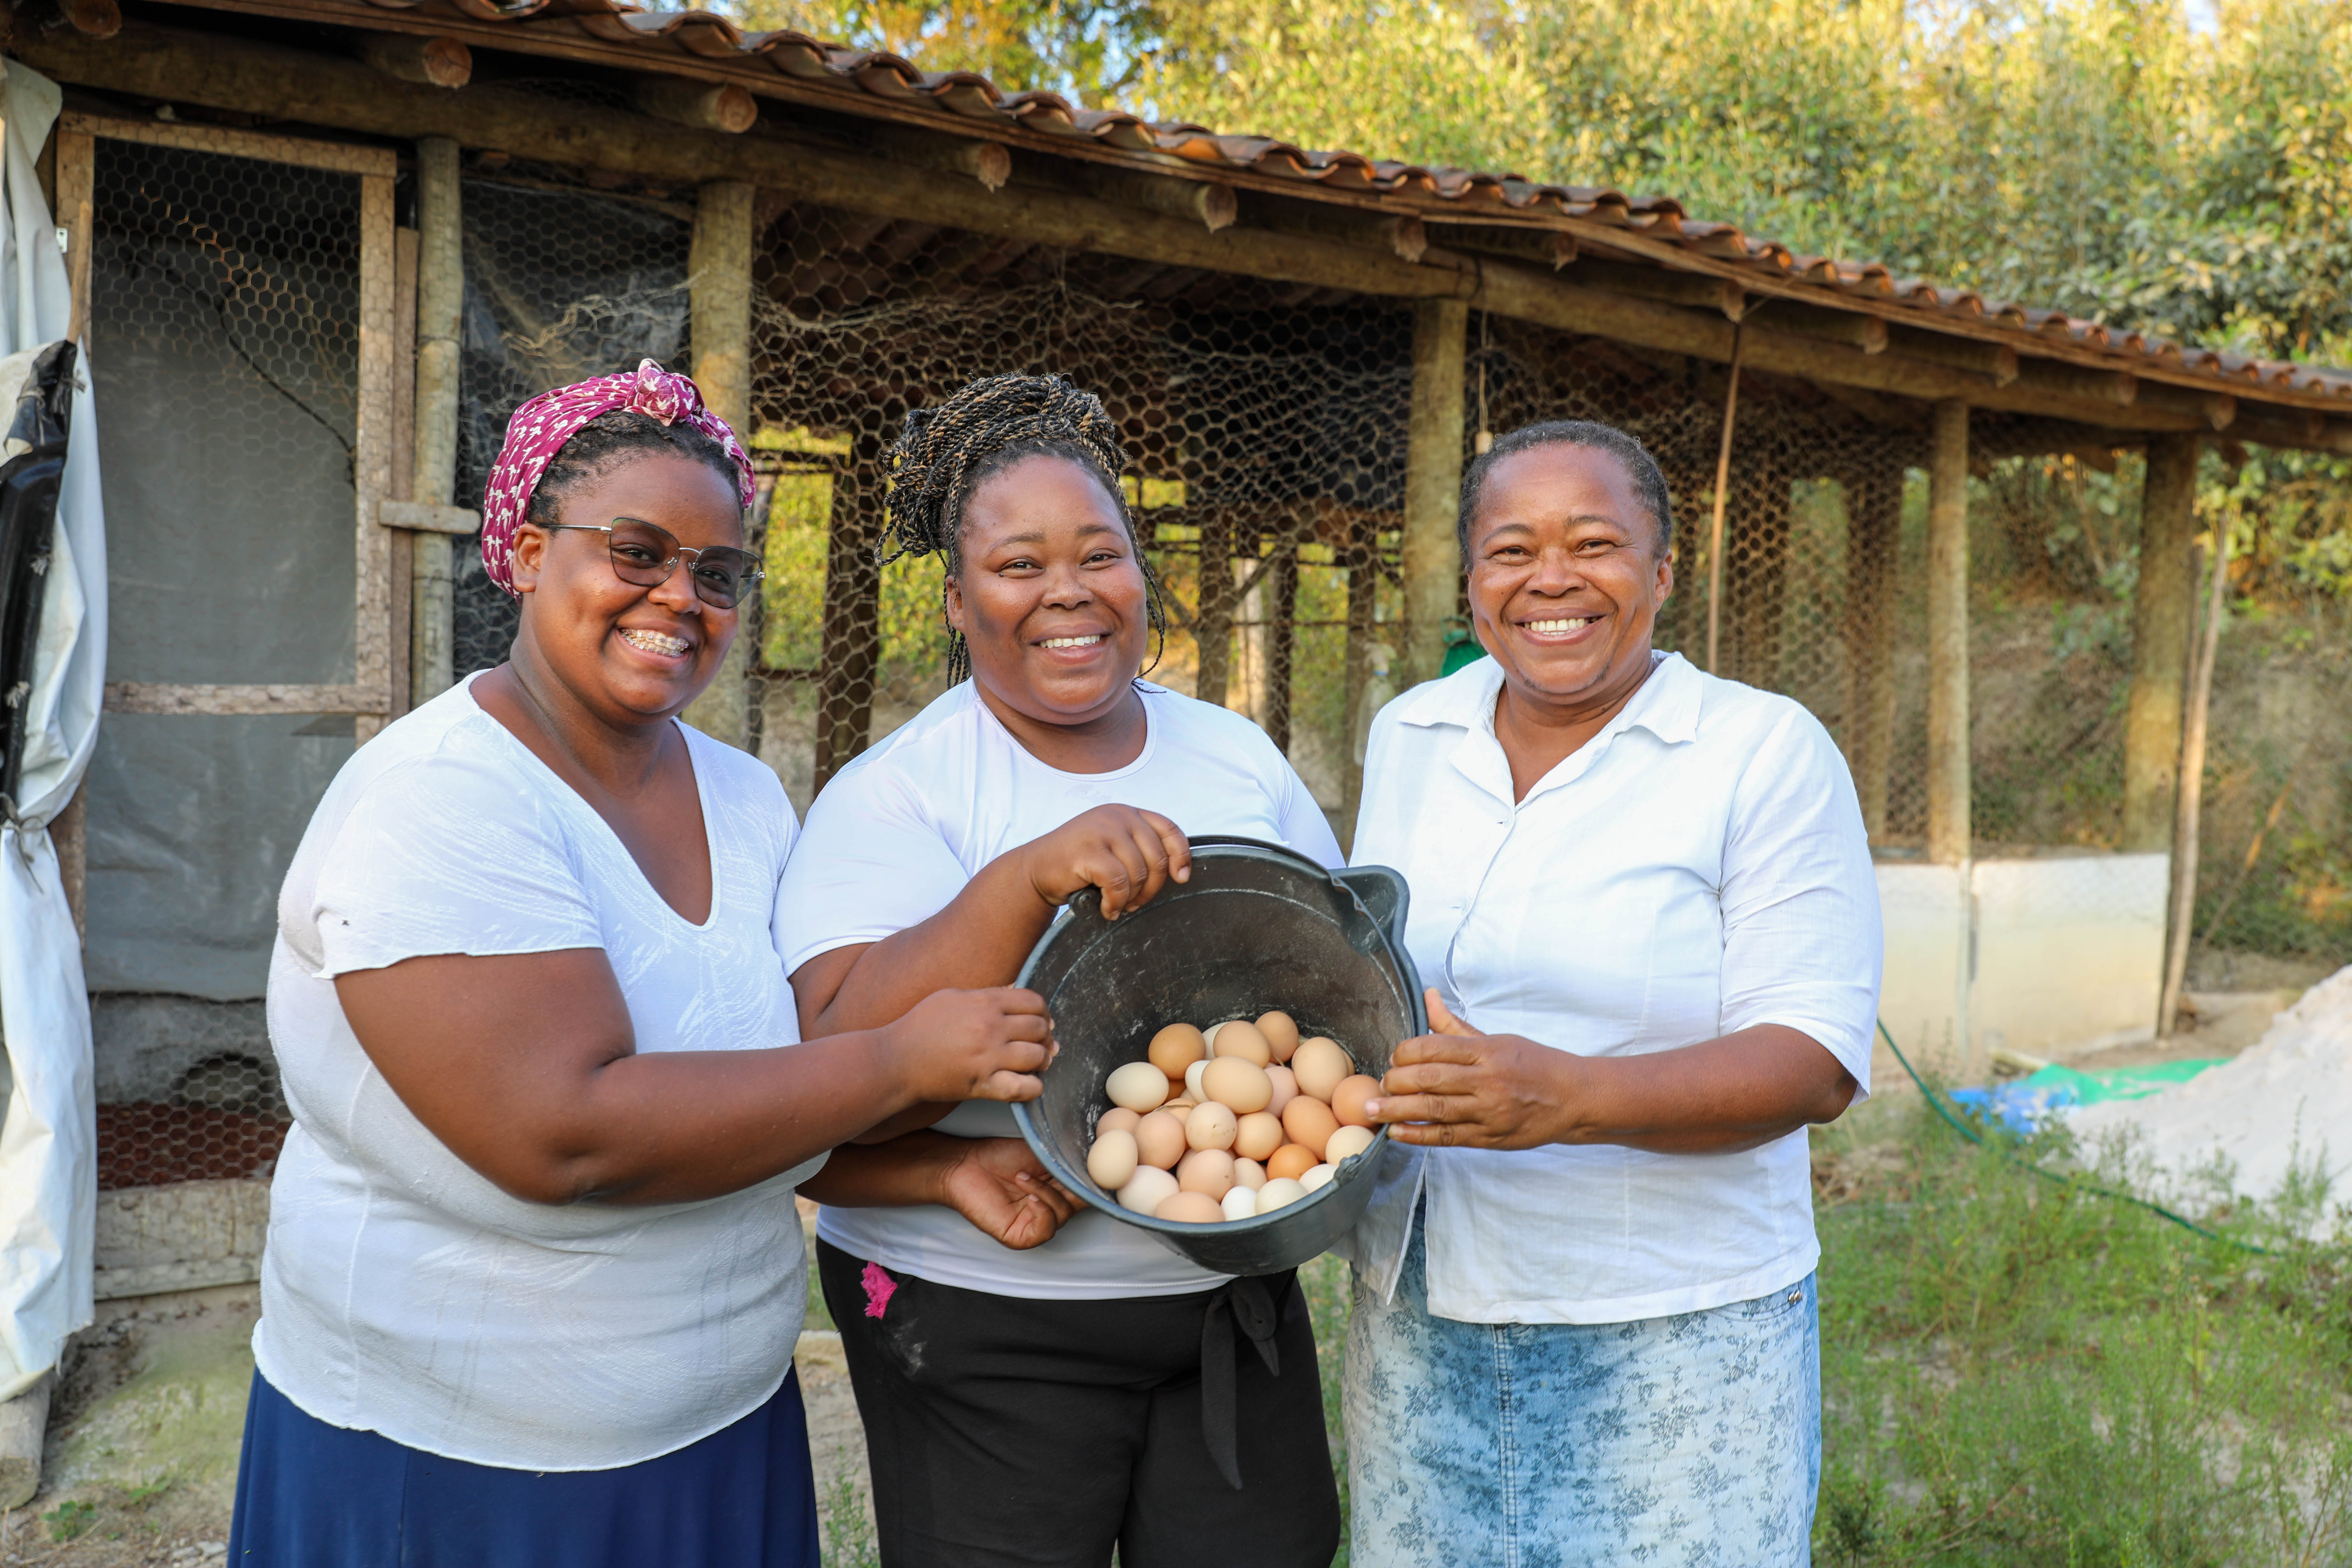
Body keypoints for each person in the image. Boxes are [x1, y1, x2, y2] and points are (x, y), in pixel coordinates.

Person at [231, 360, 1064, 1568]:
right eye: (636, 552)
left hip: (715, 1434)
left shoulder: (743, 796)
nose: (680, 596)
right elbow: (567, 1136)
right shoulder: (443, 798)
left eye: (718, 573)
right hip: (461, 1471)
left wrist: (933, 1174)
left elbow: (761, 1091)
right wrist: (899, 1061)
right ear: (522, 552)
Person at [776, 372, 1345, 1568]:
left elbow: (1332, 991)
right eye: (1019, 565)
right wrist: (1022, 880)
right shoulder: (902, 795)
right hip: (980, 1322)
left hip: (1224, 1308)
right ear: (956, 597)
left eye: (1101, 553)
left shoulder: (1233, 758)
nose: (1068, 593)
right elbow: (829, 1056)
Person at [1344, 419, 1882, 1566]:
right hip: (1424, 1309)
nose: (1552, 579)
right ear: (1472, 579)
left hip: (1672, 1326)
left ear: (1661, 571)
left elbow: (1815, 1059)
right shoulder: (1411, 735)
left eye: (1595, 542)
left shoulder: (1758, 752)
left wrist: (1567, 1099)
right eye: (1510, 549)